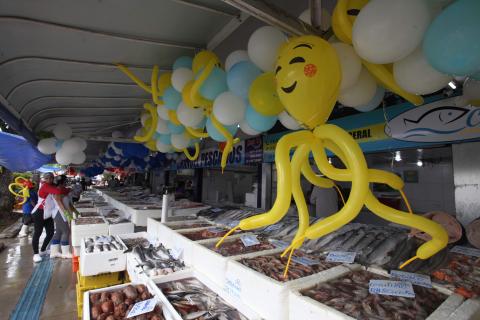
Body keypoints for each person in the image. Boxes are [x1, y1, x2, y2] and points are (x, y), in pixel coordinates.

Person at [30, 172, 67, 263]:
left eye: (51, 178)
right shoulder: (45, 186)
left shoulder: (52, 185)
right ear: (44, 179)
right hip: (39, 212)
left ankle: (43, 250)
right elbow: (58, 191)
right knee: (37, 233)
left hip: (48, 213)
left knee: (50, 233)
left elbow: (63, 190)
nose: (49, 180)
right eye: (47, 178)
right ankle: (35, 254)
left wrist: (64, 188)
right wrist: (63, 188)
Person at [49, 175, 77, 259]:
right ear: (62, 181)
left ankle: (54, 252)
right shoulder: (58, 189)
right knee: (66, 231)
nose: (67, 182)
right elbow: (58, 201)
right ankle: (65, 252)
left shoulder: (60, 189)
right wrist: (66, 214)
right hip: (59, 212)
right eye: (66, 181)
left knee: (58, 232)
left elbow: (67, 202)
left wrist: (75, 211)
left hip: (59, 212)